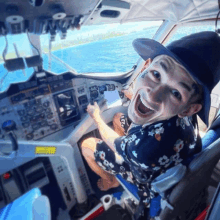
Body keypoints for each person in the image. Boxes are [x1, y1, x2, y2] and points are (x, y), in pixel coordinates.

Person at [81, 32, 220, 204]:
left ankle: (111, 181)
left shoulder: (145, 151)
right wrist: (134, 96)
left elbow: (116, 144)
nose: (152, 96)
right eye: (156, 75)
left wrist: (96, 117)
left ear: (190, 109)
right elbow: (160, 107)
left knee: (87, 145)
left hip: (144, 177)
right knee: (118, 117)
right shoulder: (183, 114)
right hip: (172, 156)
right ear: (146, 66)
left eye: (176, 93)